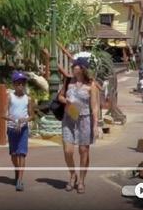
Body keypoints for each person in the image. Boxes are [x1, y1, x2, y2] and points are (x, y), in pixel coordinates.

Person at [58, 58, 100, 193]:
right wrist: (66, 101)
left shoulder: (91, 85)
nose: (73, 67)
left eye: (75, 65)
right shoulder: (68, 81)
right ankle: (72, 174)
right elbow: (60, 97)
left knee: (83, 151)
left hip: (84, 119)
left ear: (82, 68)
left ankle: (81, 180)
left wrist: (95, 125)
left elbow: (94, 107)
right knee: (68, 151)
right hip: (69, 118)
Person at [6, 71, 34, 191]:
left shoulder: (28, 99)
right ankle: (17, 170)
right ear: (14, 84)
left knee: (22, 153)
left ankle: (20, 180)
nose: (21, 86)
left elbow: (32, 115)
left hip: (23, 129)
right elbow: (3, 114)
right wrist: (14, 120)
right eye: (18, 83)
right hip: (12, 128)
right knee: (14, 154)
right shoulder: (10, 97)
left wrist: (24, 120)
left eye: (23, 83)